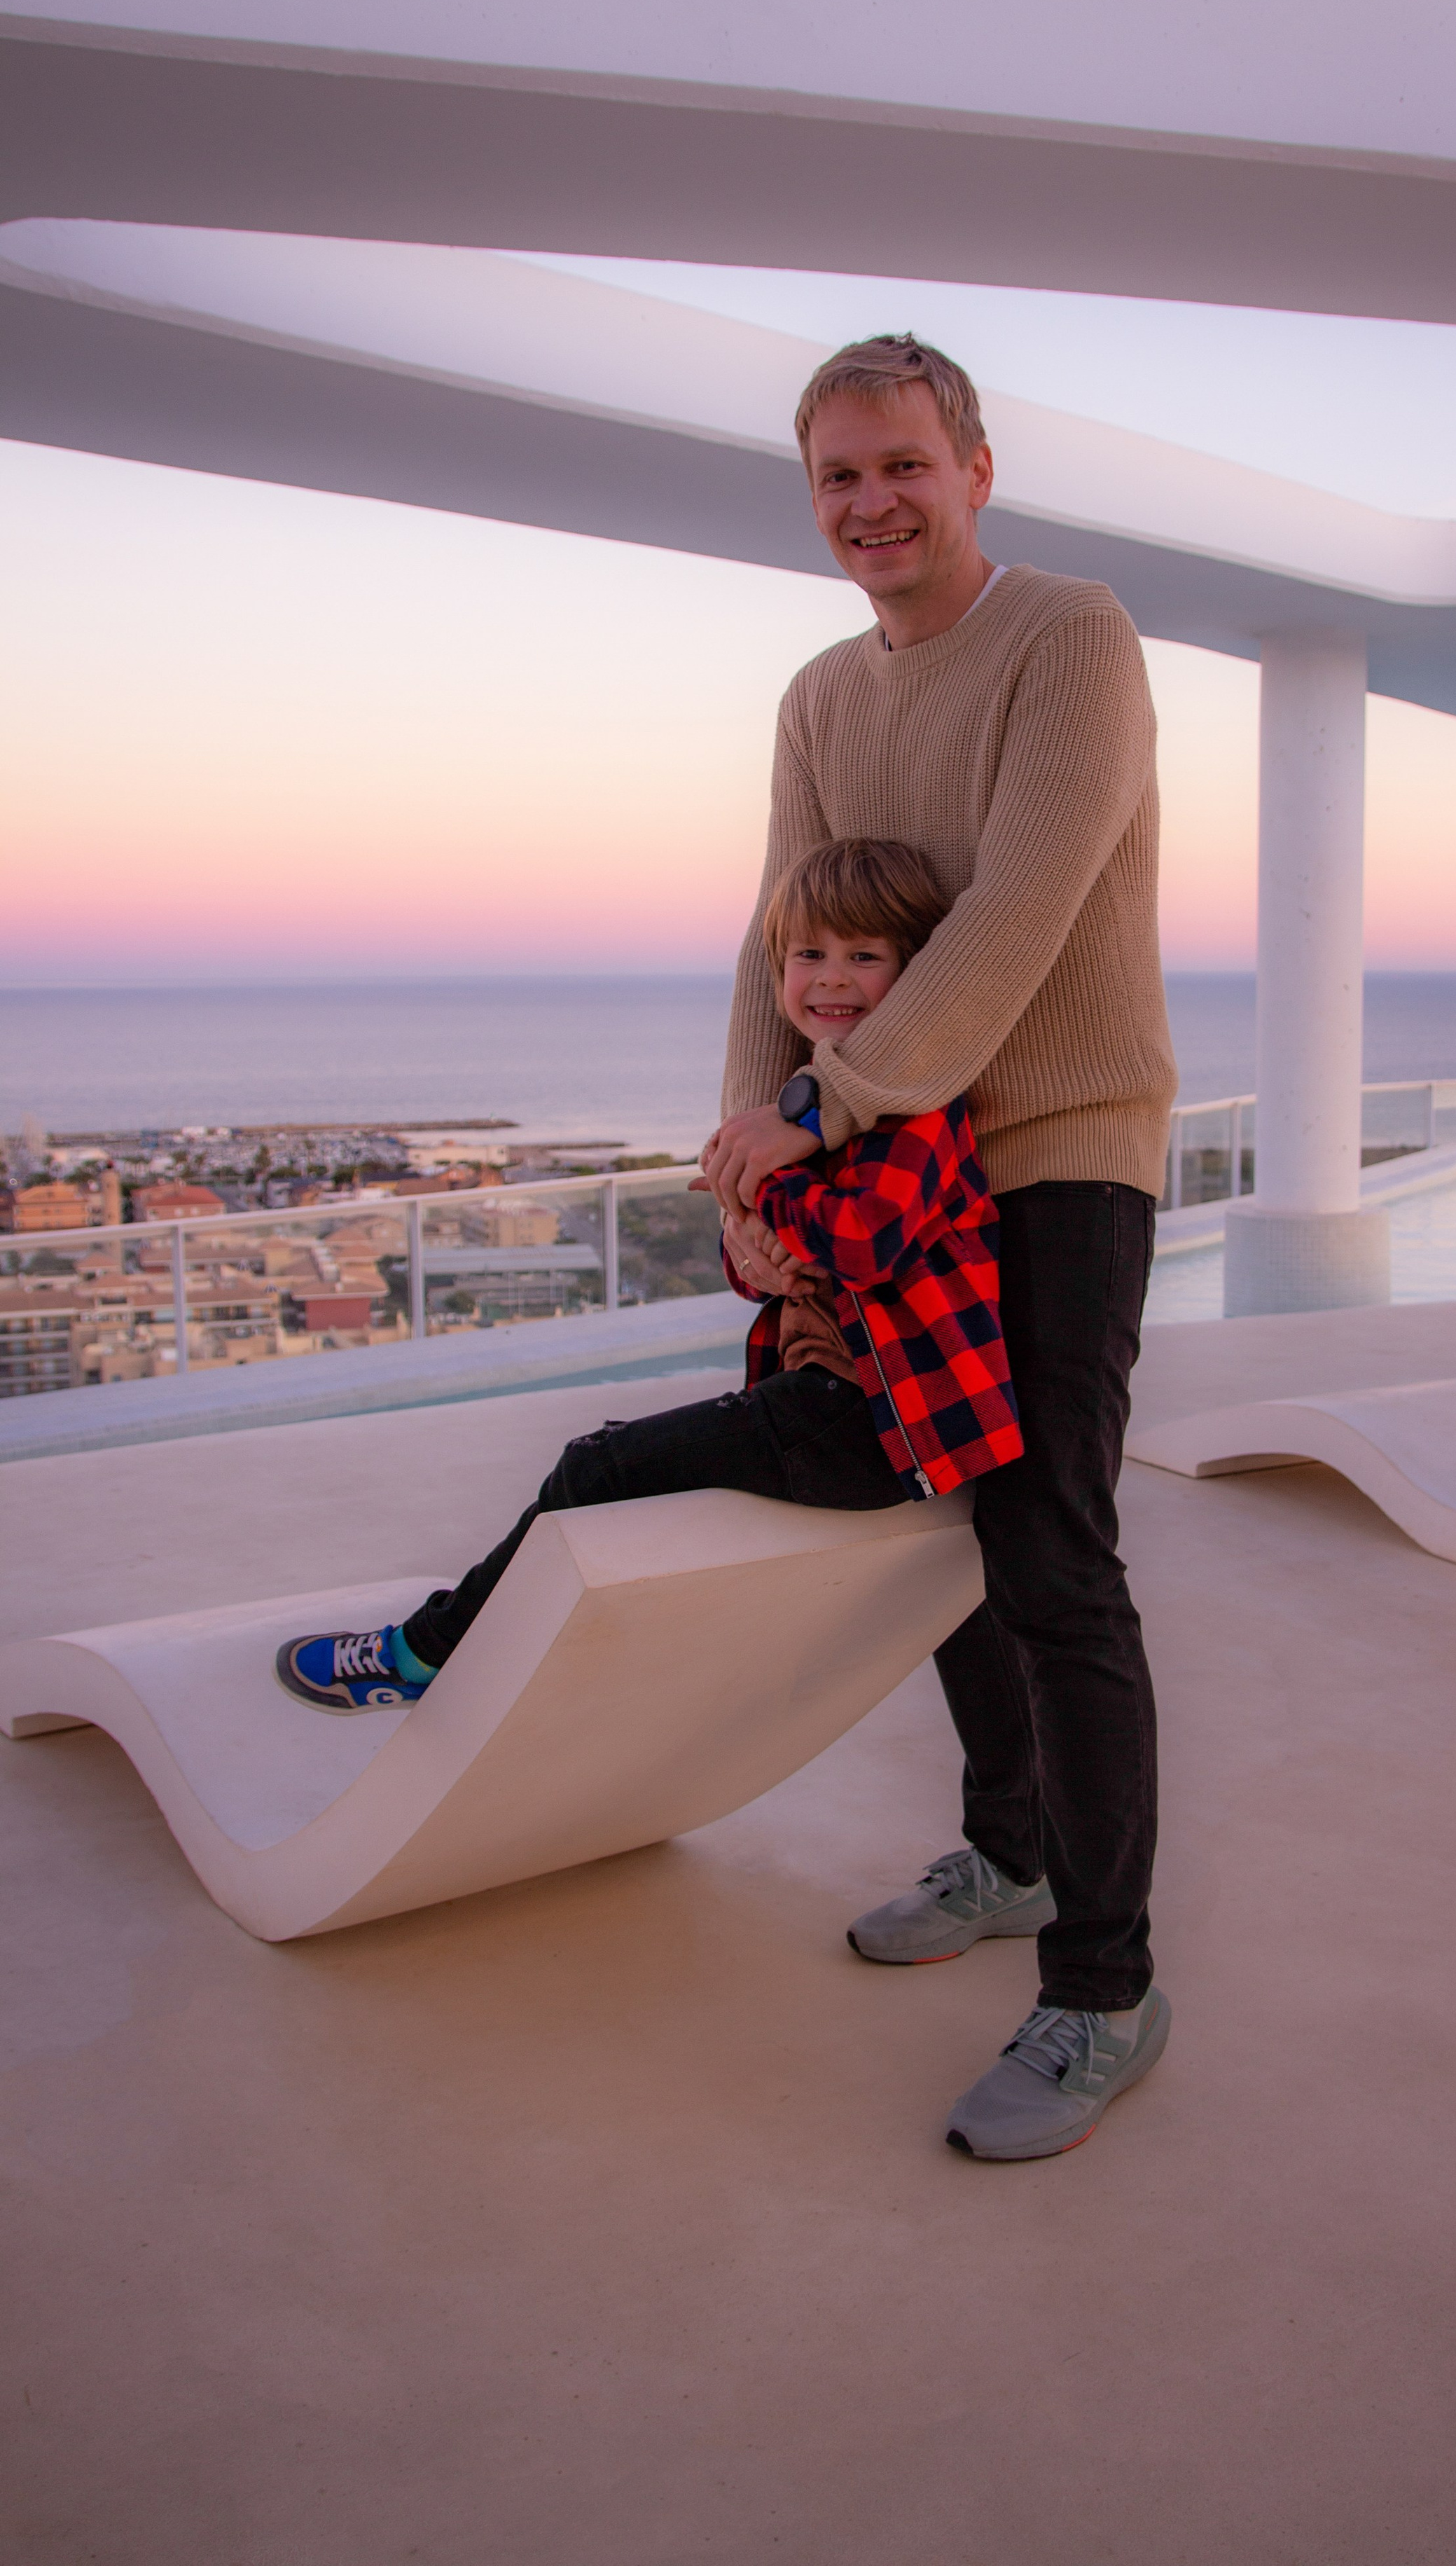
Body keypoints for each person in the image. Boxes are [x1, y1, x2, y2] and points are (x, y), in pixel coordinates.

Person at [703, 334, 1177, 2165]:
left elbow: (1021, 909)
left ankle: (1105, 1988)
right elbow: (781, 939)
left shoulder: (1073, 636)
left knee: (1053, 1550)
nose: (871, 503)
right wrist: (753, 1181)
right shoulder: (824, 697)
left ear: (976, 466)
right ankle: (1007, 1848)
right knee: (937, 1513)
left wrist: (825, 1113)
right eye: (837, 476)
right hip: (887, 1168)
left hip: (1054, 1145)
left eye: (902, 464)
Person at [272, 835, 1023, 1709]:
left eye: (865, 956)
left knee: (595, 1468)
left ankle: (423, 1655)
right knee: (611, 1472)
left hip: (876, 1422)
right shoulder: (810, 1110)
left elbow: (857, 1242)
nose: (831, 978)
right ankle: (482, 1652)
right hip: (831, 1403)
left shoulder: (913, 1112)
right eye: (808, 954)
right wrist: (767, 1260)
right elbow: (773, 1274)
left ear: (917, 977)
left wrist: (771, 1185)